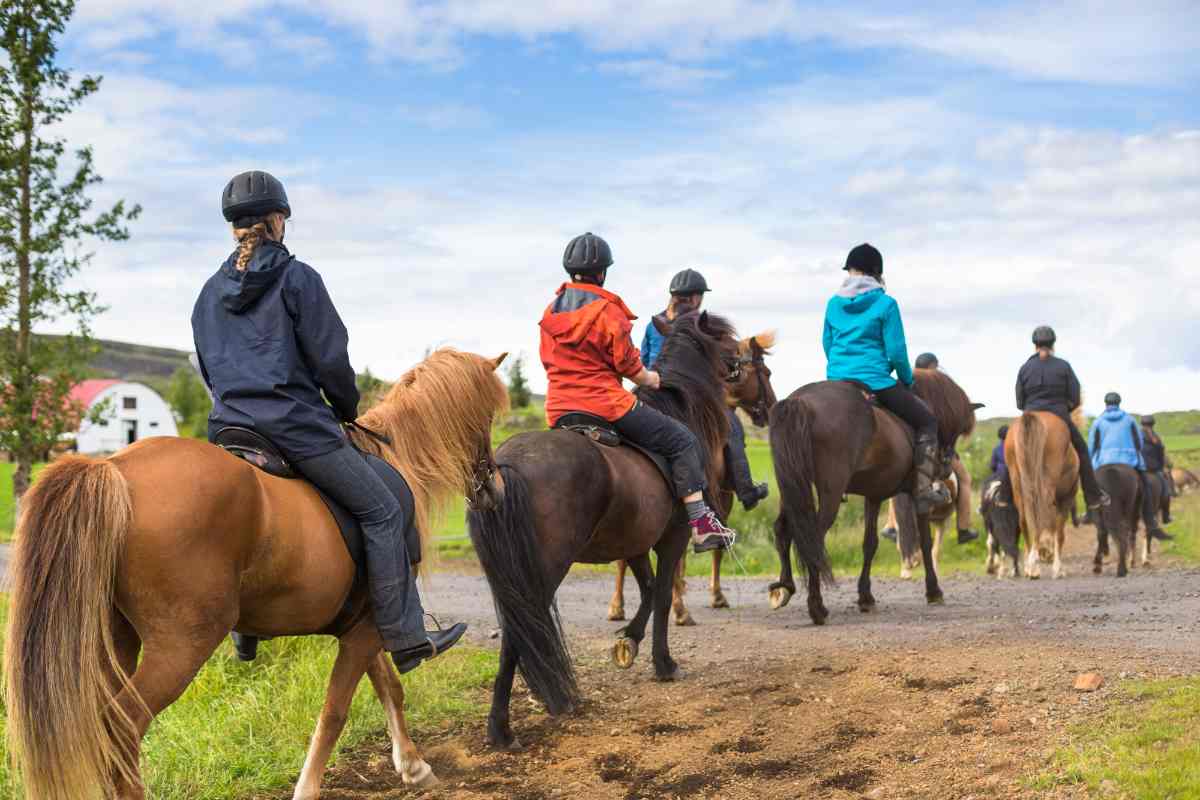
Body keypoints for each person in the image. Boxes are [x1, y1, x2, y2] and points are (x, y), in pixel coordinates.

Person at [192, 170, 466, 674]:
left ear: (233, 226)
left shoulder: (208, 293)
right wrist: (344, 410)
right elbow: (330, 359)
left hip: (229, 431)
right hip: (295, 428)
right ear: (279, 219)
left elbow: (209, 368)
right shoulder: (298, 279)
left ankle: (245, 635)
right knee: (384, 509)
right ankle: (407, 637)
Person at [540, 233, 737, 552]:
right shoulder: (607, 310)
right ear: (602, 272)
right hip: (606, 405)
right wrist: (651, 379)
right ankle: (702, 525)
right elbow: (627, 363)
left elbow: (547, 359)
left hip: (560, 408)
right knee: (682, 440)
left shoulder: (551, 312)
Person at [822, 243, 950, 513]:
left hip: (837, 382)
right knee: (927, 420)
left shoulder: (833, 304)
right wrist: (905, 379)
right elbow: (897, 351)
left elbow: (827, 343)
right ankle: (924, 491)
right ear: (877, 272)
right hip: (875, 380)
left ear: (851, 270)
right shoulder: (886, 303)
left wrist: (838, 372)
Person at [640, 268, 770, 511]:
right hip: (690, 396)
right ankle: (746, 489)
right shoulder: (701, 324)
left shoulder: (653, 323)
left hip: (653, 392)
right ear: (697, 297)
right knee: (732, 427)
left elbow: (644, 358)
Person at [880, 351, 979, 543]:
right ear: (934, 366)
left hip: (906, 443)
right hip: (934, 445)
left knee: (895, 480)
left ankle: (891, 525)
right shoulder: (941, 385)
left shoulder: (904, 380)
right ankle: (964, 527)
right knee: (965, 479)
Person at [1015, 325, 1109, 510]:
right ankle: (1093, 496)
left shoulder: (1024, 368)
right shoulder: (1063, 366)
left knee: (1010, 454)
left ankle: (1006, 495)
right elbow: (1075, 398)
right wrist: (1064, 409)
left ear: (1035, 345)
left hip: (1030, 414)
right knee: (1082, 450)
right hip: (1058, 413)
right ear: (1053, 344)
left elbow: (1019, 402)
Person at [1089, 392, 1170, 540]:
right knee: (1145, 487)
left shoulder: (1098, 421)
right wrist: (1135, 453)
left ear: (1105, 403)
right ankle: (1150, 521)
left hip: (1103, 461)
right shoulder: (1130, 420)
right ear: (1119, 403)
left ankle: (1089, 513)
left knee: (1090, 486)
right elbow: (1138, 442)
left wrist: (1091, 461)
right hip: (1128, 461)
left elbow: (1092, 445)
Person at [1140, 413, 1175, 525]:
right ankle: (1166, 516)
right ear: (1153, 424)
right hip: (1153, 470)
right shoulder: (1156, 438)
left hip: (1138, 469)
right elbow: (1162, 456)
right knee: (1166, 491)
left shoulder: (1135, 437)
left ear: (1141, 424)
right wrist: (1163, 467)